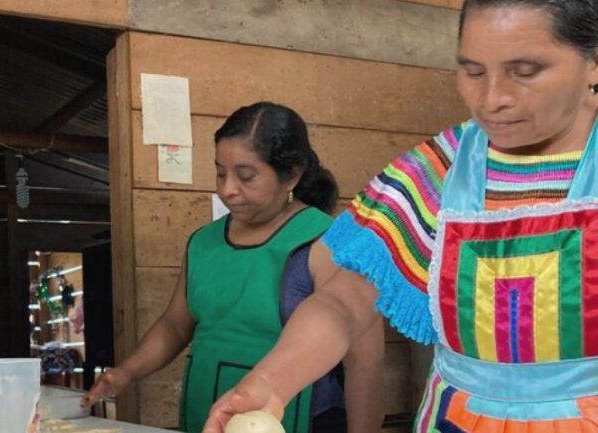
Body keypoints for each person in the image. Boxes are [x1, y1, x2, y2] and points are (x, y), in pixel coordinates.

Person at [203, 1, 598, 432]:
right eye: (472, 71)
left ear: (593, 62)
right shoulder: (443, 169)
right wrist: (271, 383)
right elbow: (344, 301)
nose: (491, 100)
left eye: (525, 71)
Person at [82, 102, 385, 433]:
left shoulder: (330, 242)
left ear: (292, 175)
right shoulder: (204, 242)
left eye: (246, 176)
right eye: (220, 173)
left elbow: (364, 364)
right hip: (207, 416)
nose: (227, 189)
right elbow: (175, 325)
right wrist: (127, 372)